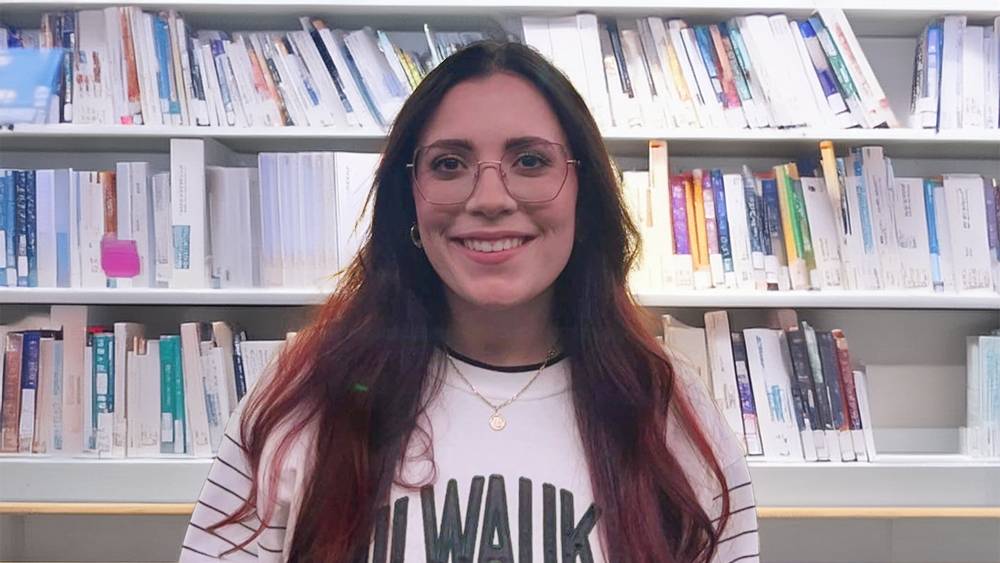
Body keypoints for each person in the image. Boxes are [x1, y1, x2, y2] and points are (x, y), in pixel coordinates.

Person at [179, 41, 759, 563]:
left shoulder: (671, 410)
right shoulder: (303, 393)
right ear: (410, 198)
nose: (489, 198)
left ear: (585, 193)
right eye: (449, 164)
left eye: (530, 161)